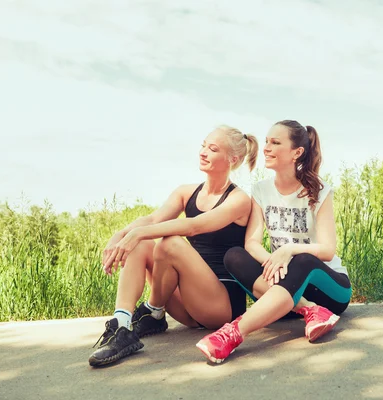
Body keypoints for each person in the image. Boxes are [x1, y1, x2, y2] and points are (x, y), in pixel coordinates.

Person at [88, 125, 258, 367]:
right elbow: (152, 220)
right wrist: (121, 234)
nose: (203, 152)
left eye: (212, 149)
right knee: (142, 243)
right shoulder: (185, 192)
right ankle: (123, 325)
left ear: (233, 159)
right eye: (203, 145)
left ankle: (152, 310)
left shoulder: (239, 200)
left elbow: (194, 226)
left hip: (220, 307)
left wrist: (136, 233)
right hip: (187, 305)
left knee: (171, 244)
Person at [195, 120, 352, 364]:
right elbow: (252, 243)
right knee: (234, 255)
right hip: (283, 288)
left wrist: (287, 251)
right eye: (267, 141)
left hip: (331, 289)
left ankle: (233, 334)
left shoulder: (320, 191)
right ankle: (309, 310)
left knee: (302, 260)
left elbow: (328, 250)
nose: (266, 148)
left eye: (275, 143)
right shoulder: (261, 190)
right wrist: (273, 260)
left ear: (296, 152)